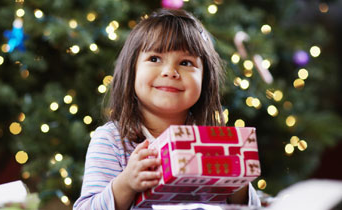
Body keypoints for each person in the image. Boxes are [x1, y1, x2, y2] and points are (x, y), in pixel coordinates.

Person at [73, 9, 261, 210]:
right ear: (132, 70)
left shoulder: (212, 143)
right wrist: (126, 184)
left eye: (186, 62)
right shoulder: (112, 141)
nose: (170, 72)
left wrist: (237, 182)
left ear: (204, 80)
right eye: (154, 58)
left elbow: (253, 208)